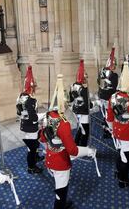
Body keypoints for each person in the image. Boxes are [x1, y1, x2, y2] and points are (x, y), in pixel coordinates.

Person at [40, 74, 96, 209]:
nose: (66, 104)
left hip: (50, 155)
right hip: (60, 161)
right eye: (65, 102)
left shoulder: (47, 116)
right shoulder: (64, 123)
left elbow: (42, 138)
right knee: (61, 189)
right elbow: (72, 150)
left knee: (59, 185)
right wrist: (88, 151)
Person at [106, 61, 129, 188]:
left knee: (120, 152)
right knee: (126, 156)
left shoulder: (113, 97)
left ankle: (118, 171)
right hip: (127, 131)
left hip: (116, 128)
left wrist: (111, 129)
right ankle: (123, 179)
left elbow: (109, 117)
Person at [16, 65, 43, 174]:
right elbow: (34, 118)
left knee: (34, 144)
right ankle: (31, 167)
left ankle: (36, 157)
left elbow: (19, 112)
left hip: (24, 124)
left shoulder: (20, 97)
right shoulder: (31, 100)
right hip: (31, 126)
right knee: (31, 148)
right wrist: (43, 115)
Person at [69, 60, 93, 146]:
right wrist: (91, 105)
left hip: (76, 109)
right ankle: (82, 145)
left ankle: (76, 142)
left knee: (80, 127)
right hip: (83, 111)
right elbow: (87, 103)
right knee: (85, 130)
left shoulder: (72, 85)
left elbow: (71, 99)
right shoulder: (84, 89)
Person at [97, 47, 119, 138]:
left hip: (101, 95)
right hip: (108, 97)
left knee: (105, 113)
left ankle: (105, 129)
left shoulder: (102, 72)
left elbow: (98, 81)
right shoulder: (114, 75)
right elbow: (114, 87)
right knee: (109, 114)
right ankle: (108, 130)